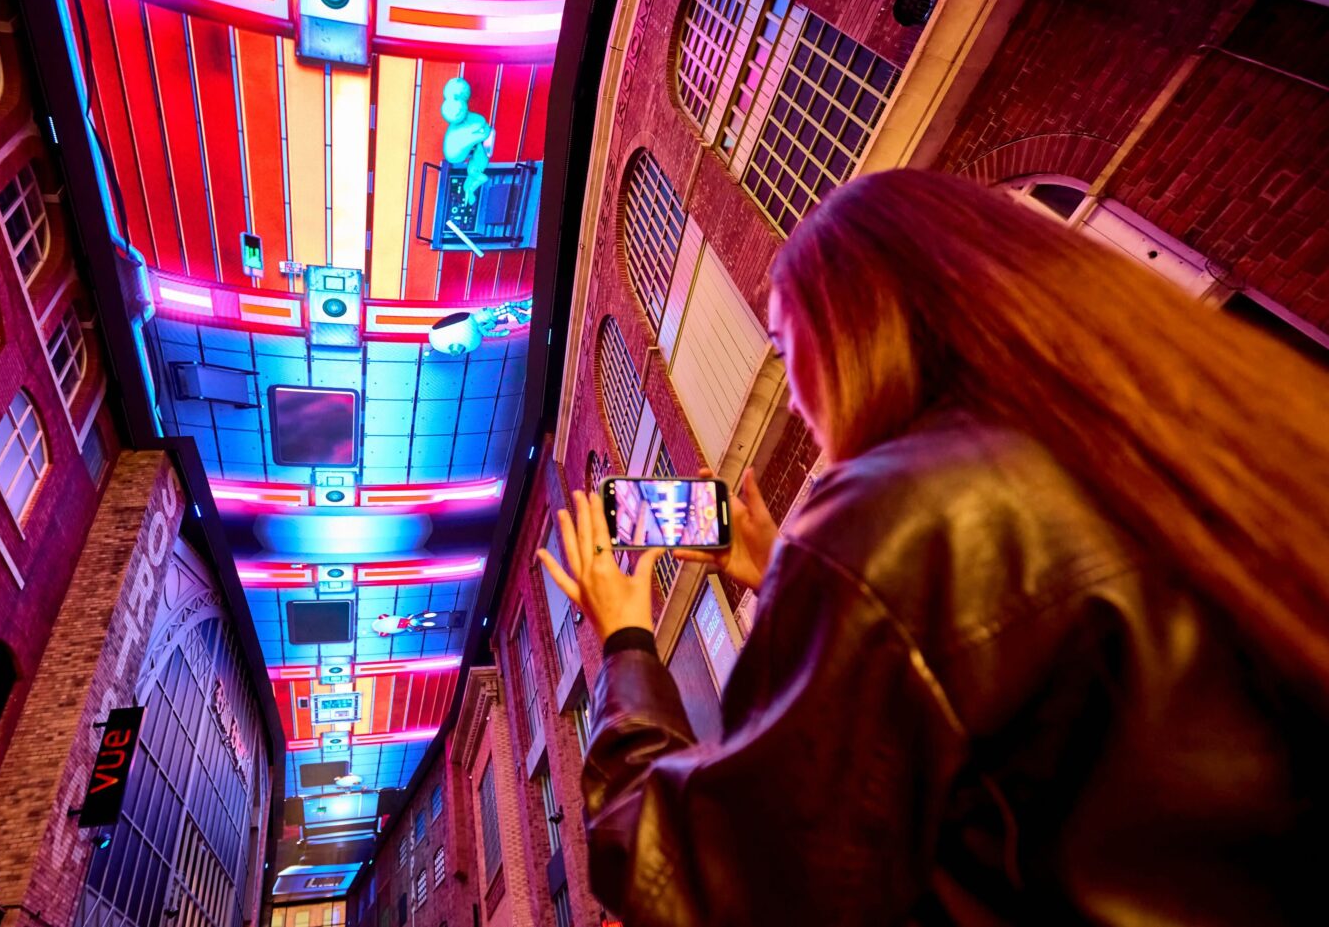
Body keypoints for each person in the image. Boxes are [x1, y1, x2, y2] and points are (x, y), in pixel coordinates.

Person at [536, 169, 1329, 926]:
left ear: (847, 326)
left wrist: (626, 642)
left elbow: (695, 883)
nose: (798, 398)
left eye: (782, 345)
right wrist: (793, 577)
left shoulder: (898, 515)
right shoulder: (1153, 434)